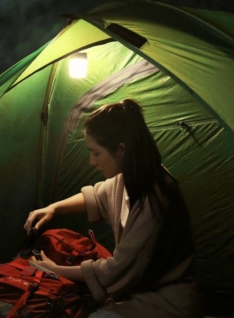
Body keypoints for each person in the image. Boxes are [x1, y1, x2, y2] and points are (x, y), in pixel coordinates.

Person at [24, 99, 204, 318]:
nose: (92, 161)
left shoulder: (156, 197)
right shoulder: (129, 178)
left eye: (96, 153)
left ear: (121, 150)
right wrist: (53, 208)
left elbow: (119, 268)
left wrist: (55, 270)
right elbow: (96, 196)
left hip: (165, 302)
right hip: (135, 291)